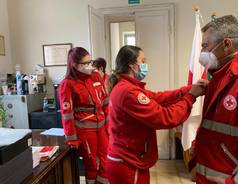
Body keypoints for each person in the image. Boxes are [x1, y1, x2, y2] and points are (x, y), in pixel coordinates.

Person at [106, 45, 208, 184]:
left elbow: (158, 97)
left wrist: (189, 89)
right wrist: (190, 97)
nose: (145, 65)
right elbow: (165, 118)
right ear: (131, 65)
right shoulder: (129, 92)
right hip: (127, 163)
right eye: (143, 61)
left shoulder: (127, 87)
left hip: (128, 158)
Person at [193, 15, 238, 184]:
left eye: (205, 46)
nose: (202, 53)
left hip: (229, 178)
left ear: (226, 44)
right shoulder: (219, 75)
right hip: (208, 173)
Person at [58, 47, 109, 184]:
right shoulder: (67, 85)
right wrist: (72, 139)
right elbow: (67, 114)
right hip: (85, 130)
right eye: (85, 63)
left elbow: (105, 102)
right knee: (92, 164)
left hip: (102, 127)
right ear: (74, 65)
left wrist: (109, 125)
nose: (90, 66)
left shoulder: (96, 76)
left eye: (90, 61)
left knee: (106, 162)